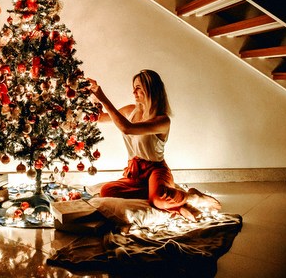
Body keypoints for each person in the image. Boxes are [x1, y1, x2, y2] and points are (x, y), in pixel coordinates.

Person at [88, 70, 221, 221]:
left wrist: (103, 97)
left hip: (156, 170)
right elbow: (99, 118)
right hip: (135, 172)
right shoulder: (130, 110)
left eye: (138, 87)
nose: (134, 91)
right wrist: (94, 95)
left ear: (150, 89)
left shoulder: (162, 120)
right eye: (134, 87)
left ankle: (191, 197)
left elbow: (127, 128)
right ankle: (173, 199)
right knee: (107, 190)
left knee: (158, 199)